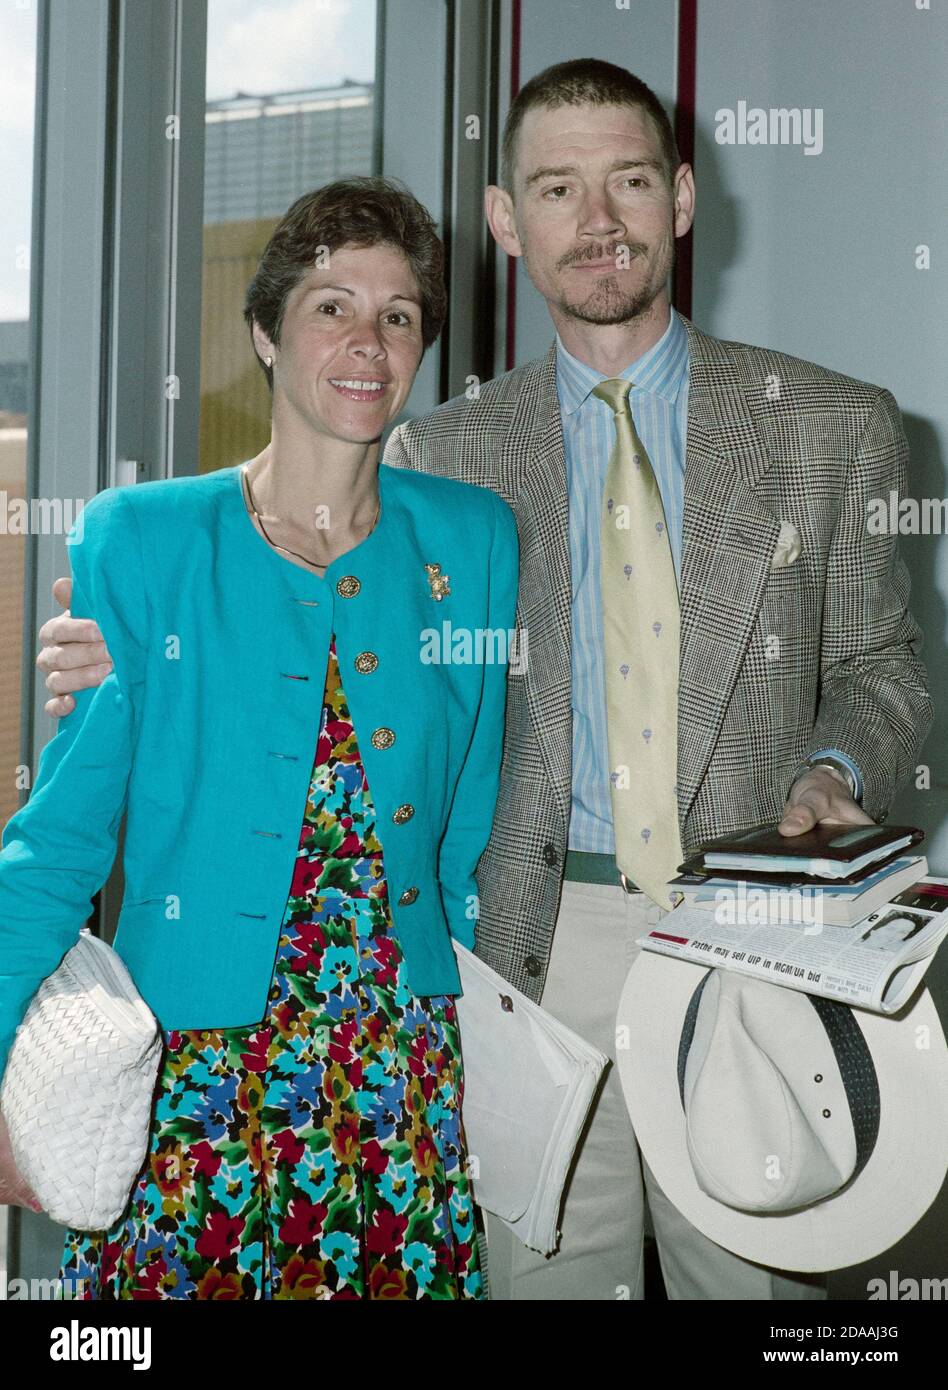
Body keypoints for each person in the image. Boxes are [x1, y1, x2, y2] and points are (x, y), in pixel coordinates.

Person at [36, 59, 932, 1300]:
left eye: (627, 180)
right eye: (556, 188)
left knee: (757, 1293)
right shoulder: (447, 453)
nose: (598, 221)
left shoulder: (832, 425)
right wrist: (118, 650)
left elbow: (886, 663)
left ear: (679, 196)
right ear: (510, 221)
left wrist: (836, 769)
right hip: (528, 956)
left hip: (745, 956)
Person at [0, 175, 519, 1300]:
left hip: (402, 1082)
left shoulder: (474, 542)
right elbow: (58, 847)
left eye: (398, 314)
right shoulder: (146, 540)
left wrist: (484, 1044)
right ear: (265, 335)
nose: (367, 340)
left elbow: (468, 830)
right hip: (191, 1083)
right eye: (331, 305)